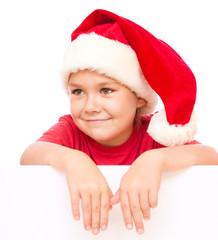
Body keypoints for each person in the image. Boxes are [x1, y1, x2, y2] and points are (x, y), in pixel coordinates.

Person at [20, 9, 218, 235]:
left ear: (139, 97)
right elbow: (29, 156)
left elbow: (210, 158)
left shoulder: (154, 137)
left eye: (106, 90)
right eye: (77, 91)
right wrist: (73, 159)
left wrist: (156, 160)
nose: (90, 106)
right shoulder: (71, 131)